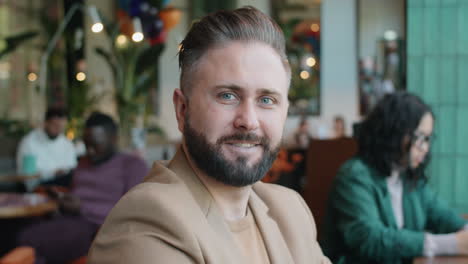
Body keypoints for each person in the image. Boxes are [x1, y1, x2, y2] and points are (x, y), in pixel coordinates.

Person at [88, 7, 330, 264]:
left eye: (267, 100)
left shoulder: (290, 210)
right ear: (183, 110)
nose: (248, 121)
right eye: (227, 95)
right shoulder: (147, 220)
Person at [321, 92, 468, 264]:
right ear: (393, 132)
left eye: (428, 138)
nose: (425, 148)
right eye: (420, 137)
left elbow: (442, 215)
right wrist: (449, 244)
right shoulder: (354, 176)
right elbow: (369, 239)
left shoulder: (408, 175)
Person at [6, 112, 149, 264]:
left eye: (96, 145)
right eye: (87, 145)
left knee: (26, 238)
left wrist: (82, 207)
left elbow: (133, 212)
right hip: (69, 218)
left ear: (114, 139)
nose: (90, 151)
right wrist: (62, 202)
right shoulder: (83, 163)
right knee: (10, 227)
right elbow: (76, 194)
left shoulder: (132, 166)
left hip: (96, 229)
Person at [17, 107, 77, 189]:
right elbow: (27, 174)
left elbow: (72, 168)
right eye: (55, 125)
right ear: (46, 123)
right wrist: (52, 173)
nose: (58, 129)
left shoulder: (67, 144)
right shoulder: (29, 142)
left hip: (63, 186)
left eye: (61, 126)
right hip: (38, 186)